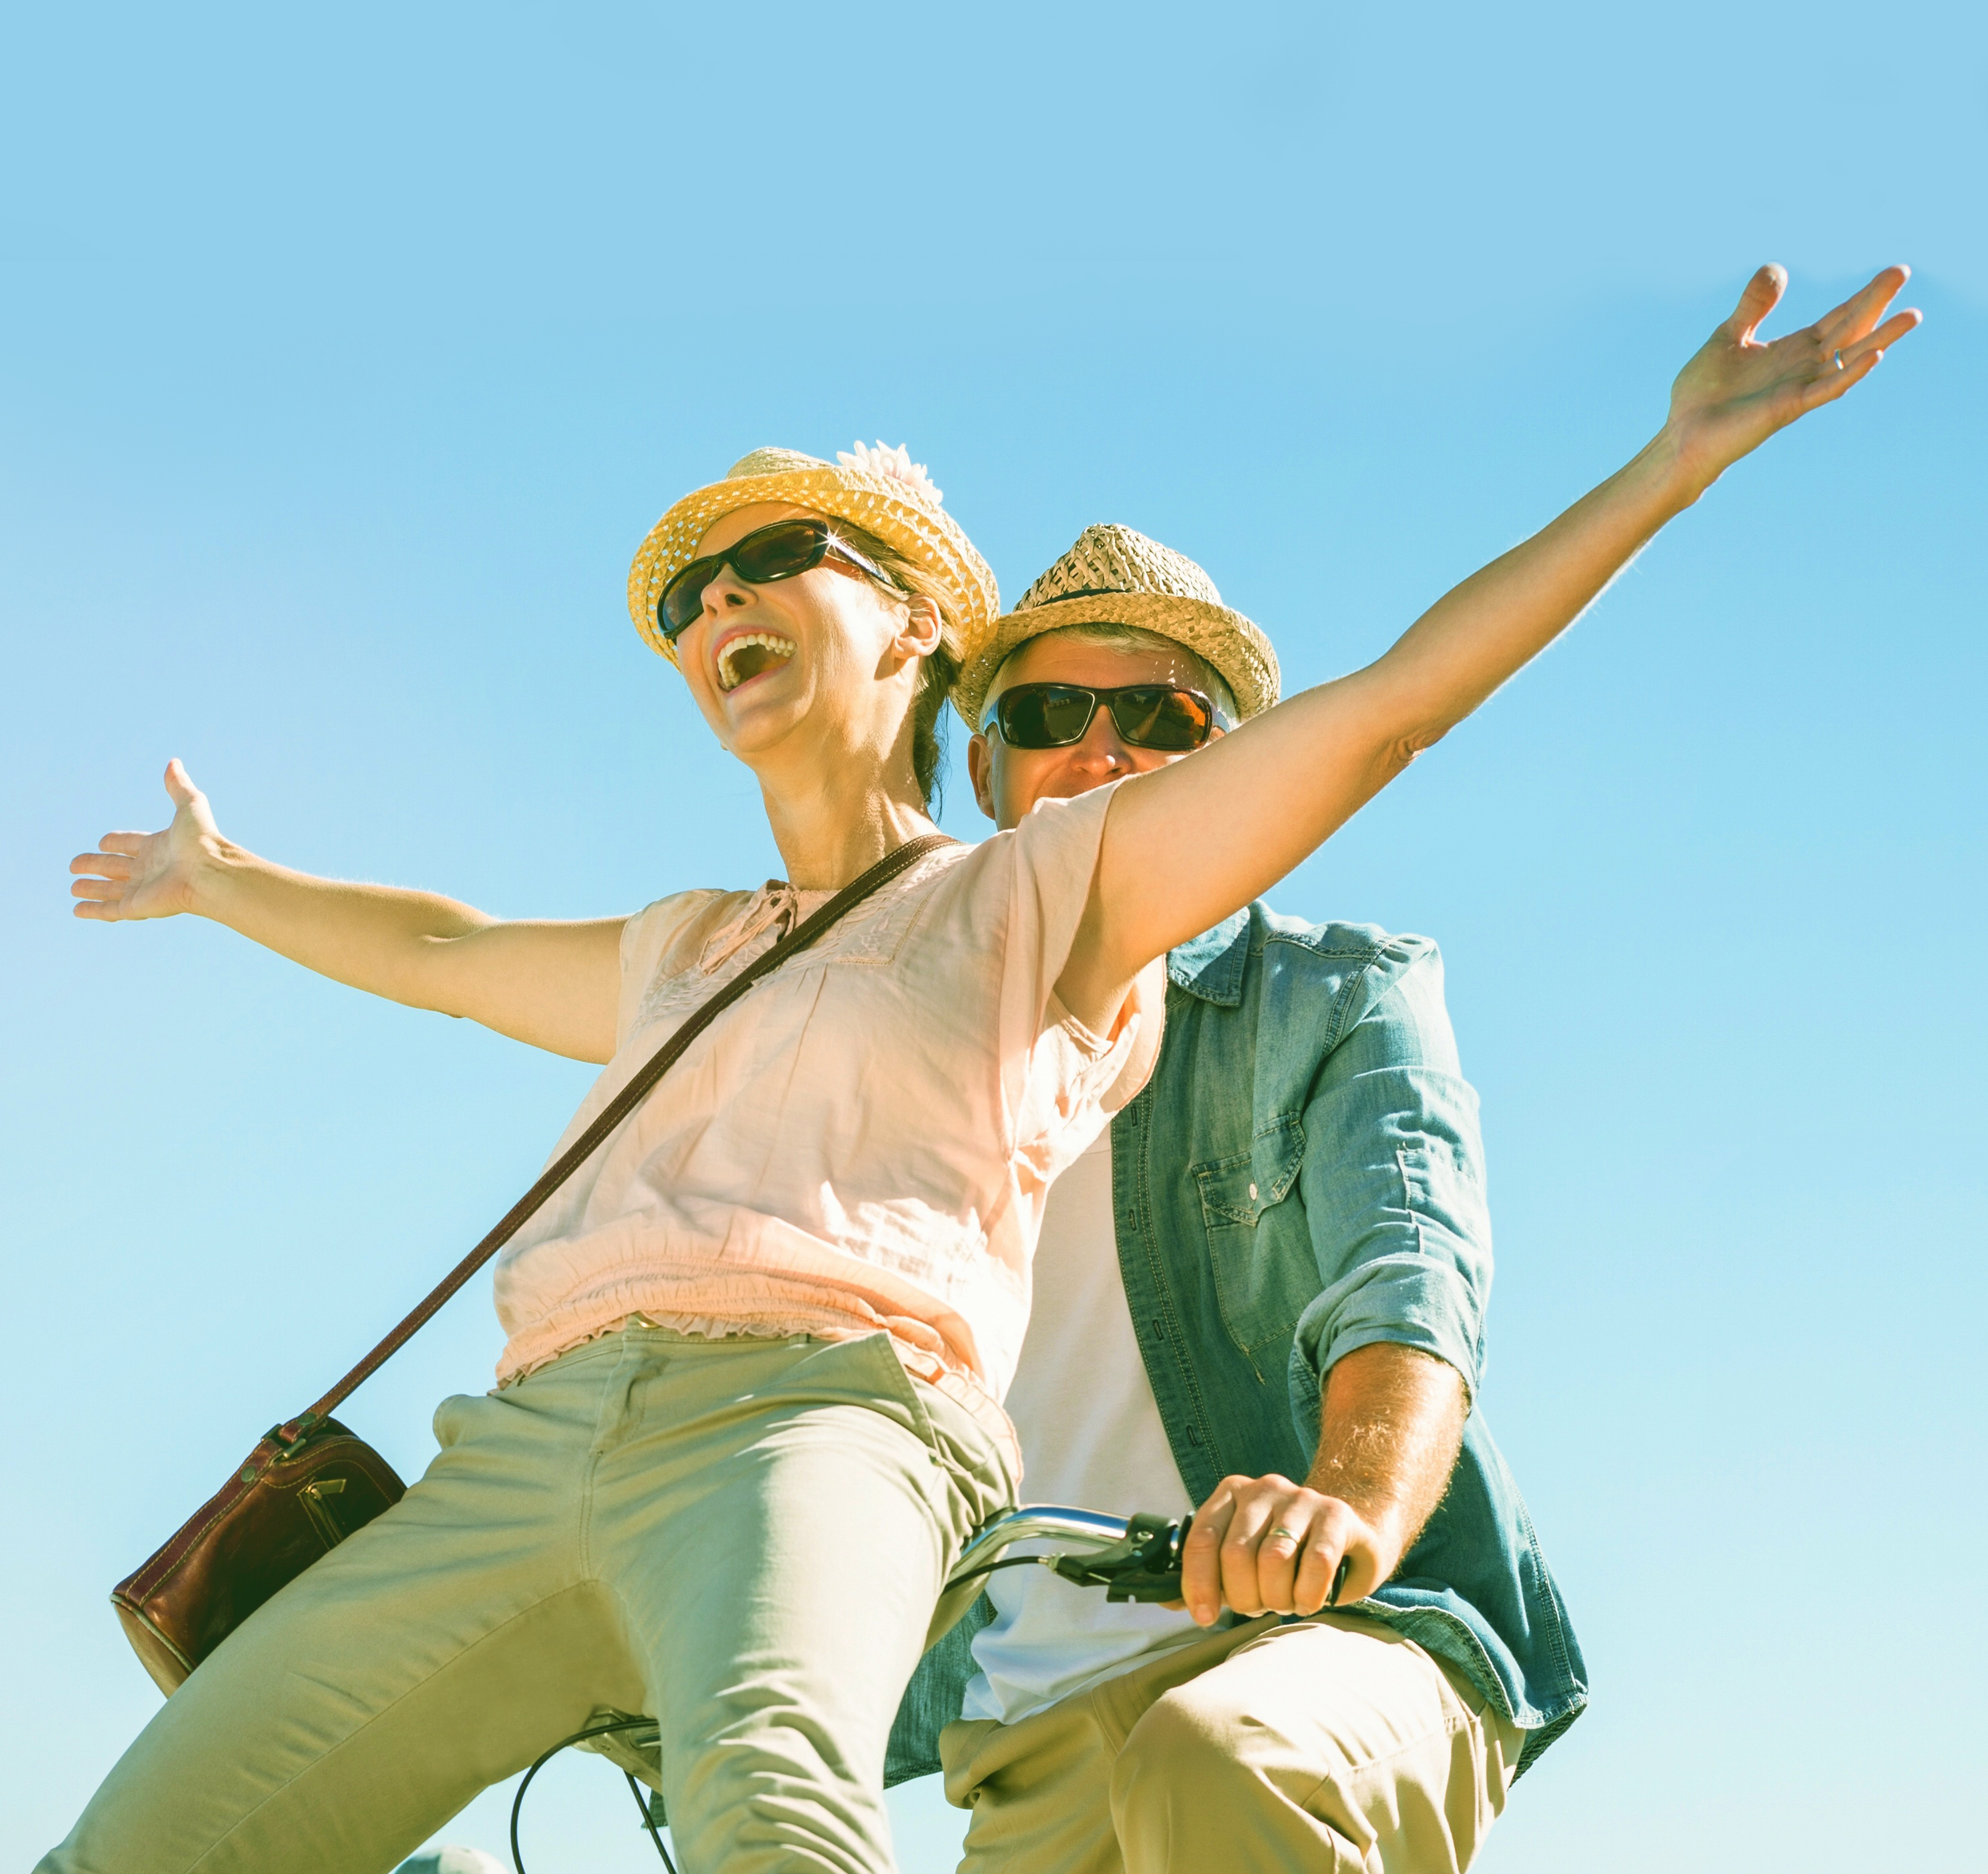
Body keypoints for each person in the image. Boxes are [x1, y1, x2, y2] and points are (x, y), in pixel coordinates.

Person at [49, 264, 1914, 1874]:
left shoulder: (1044, 900)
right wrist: (224, 882)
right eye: (697, 587)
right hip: (540, 1438)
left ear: (917, 622)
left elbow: (1390, 718)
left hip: (822, 1422)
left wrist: (1670, 463)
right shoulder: (691, 942)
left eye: (784, 555)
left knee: (781, 1809)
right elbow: (447, 952)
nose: (723, 598)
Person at [885, 521, 1581, 1873]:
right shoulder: (903, 1054)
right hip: (1029, 1718)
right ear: (986, 766)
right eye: (1050, 713)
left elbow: (1408, 1277)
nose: (1104, 749)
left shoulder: (1340, 992)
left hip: (1329, 1642)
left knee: (1217, 1756)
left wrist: (1346, 1510)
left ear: (1235, 767)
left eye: (1161, 714)